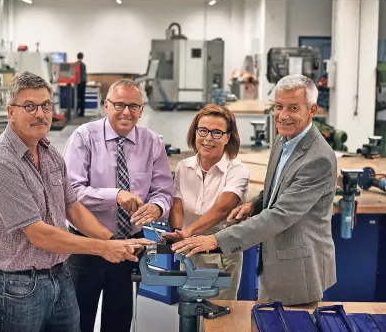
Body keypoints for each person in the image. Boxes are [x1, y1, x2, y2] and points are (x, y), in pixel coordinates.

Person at [0, 71, 151, 332]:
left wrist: (114, 242)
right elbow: (39, 235)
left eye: (45, 105)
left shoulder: (49, 153)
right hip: (20, 286)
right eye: (29, 106)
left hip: (60, 275)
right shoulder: (2, 164)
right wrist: (103, 249)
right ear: (10, 111)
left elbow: (72, 206)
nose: (40, 113)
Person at [171, 74, 337, 306]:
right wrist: (255, 204)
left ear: (312, 110)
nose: (283, 115)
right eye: (279, 106)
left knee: (292, 322)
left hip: (298, 268)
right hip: (273, 262)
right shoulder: (282, 141)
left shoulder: (318, 159)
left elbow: (279, 216)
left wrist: (215, 241)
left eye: (293, 108)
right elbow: (277, 189)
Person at [63, 78, 174, 332]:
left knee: (119, 321)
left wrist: (157, 207)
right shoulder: (84, 137)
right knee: (77, 321)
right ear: (106, 105)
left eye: (134, 106)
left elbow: (163, 190)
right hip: (87, 246)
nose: (127, 112)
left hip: (130, 246)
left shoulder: (152, 142)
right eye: (120, 105)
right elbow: (71, 192)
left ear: (141, 110)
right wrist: (116, 195)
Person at [161, 104, 249, 300]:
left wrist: (188, 232)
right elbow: (177, 204)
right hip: (189, 247)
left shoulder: (237, 170)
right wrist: (178, 231)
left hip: (220, 250)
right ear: (195, 133)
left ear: (228, 137)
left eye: (217, 133)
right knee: (189, 309)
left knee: (217, 317)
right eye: (203, 131)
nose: (208, 138)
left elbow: (223, 208)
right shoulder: (184, 167)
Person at [74, 52, 87, 117]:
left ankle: (77, 111)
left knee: (77, 97)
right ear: (82, 57)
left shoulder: (75, 64)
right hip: (82, 83)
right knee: (82, 98)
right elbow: (84, 75)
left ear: (77, 57)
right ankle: (82, 112)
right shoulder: (83, 65)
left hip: (77, 83)